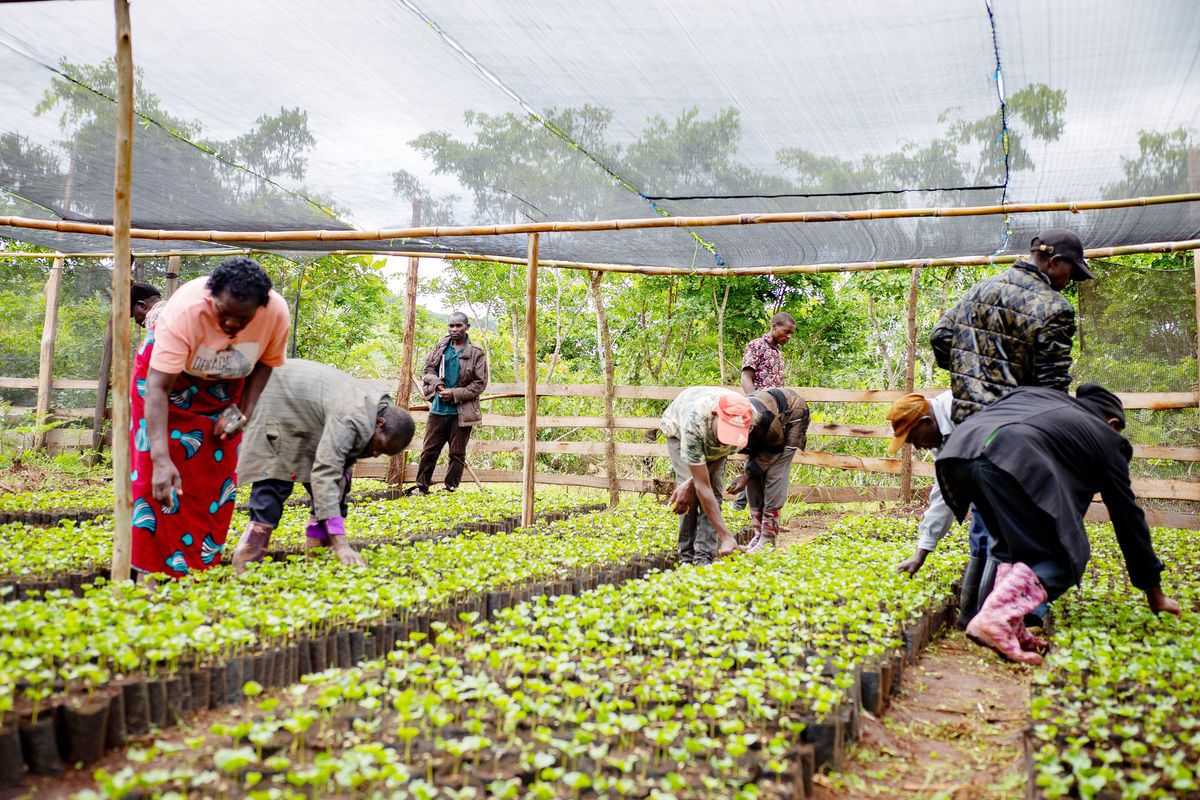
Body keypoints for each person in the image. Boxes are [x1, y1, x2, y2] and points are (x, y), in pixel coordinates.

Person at [935, 383, 1181, 665]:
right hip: (1008, 456)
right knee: (1065, 556)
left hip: (958, 454)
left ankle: (1012, 626)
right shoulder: (1105, 437)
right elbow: (1128, 518)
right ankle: (995, 618)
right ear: (1112, 423)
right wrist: (1154, 591)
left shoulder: (1040, 396)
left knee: (1008, 548)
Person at [130, 256, 290, 578]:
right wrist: (161, 460)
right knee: (155, 480)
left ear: (259, 309)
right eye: (223, 314)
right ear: (210, 298)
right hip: (168, 386)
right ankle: (147, 577)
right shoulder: (185, 311)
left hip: (226, 387)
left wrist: (242, 412)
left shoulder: (276, 314)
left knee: (213, 481)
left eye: (241, 319)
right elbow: (158, 390)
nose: (230, 325)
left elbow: (267, 363)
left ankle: (198, 570)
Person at [232, 360, 415, 571]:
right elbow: (325, 472)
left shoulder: (376, 412)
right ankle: (245, 568)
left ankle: (318, 566)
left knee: (338, 486)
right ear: (379, 423)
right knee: (274, 484)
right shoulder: (352, 418)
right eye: (379, 447)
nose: (374, 455)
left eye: (382, 454)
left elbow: (336, 475)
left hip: (310, 417)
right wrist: (342, 544)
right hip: (278, 404)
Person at [930, 228, 1094, 424]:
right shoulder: (1055, 308)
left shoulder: (981, 289)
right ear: (1055, 261)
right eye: (1071, 273)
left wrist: (974, 371)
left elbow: (940, 335)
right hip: (1014, 428)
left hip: (968, 426)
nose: (1069, 281)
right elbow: (1052, 387)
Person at [887, 391, 1000, 628]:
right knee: (981, 532)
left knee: (1001, 535)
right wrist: (921, 552)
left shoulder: (968, 409)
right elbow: (945, 491)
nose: (917, 447)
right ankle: (970, 617)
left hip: (1012, 463)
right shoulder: (941, 435)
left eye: (913, 439)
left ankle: (995, 618)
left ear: (927, 422)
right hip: (987, 474)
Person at [661, 387, 755, 565]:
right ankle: (687, 558)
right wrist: (726, 536)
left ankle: (704, 557)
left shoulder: (751, 415)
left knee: (715, 492)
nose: (727, 440)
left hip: (711, 440)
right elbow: (701, 486)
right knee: (689, 496)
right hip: (678, 431)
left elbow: (724, 451)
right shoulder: (693, 425)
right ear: (715, 415)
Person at [410, 312, 489, 495]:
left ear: (467, 327)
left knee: (457, 454)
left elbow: (479, 384)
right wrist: (437, 384)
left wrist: (454, 393)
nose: (454, 329)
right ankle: (422, 487)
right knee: (429, 450)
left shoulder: (476, 353)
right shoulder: (441, 346)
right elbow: (428, 369)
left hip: (462, 413)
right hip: (438, 409)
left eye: (458, 326)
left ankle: (450, 488)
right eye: (451, 326)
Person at [727, 387, 808, 552]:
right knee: (753, 471)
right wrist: (748, 475)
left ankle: (768, 538)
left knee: (774, 473)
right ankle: (758, 535)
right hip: (764, 427)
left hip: (792, 418)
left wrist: (746, 476)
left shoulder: (764, 420)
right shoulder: (732, 422)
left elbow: (774, 449)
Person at [740, 312, 795, 393]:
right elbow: (745, 378)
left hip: (775, 403)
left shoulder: (778, 351)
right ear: (774, 326)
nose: (789, 336)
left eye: (791, 334)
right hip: (760, 402)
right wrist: (755, 402)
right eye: (787, 332)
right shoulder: (757, 345)